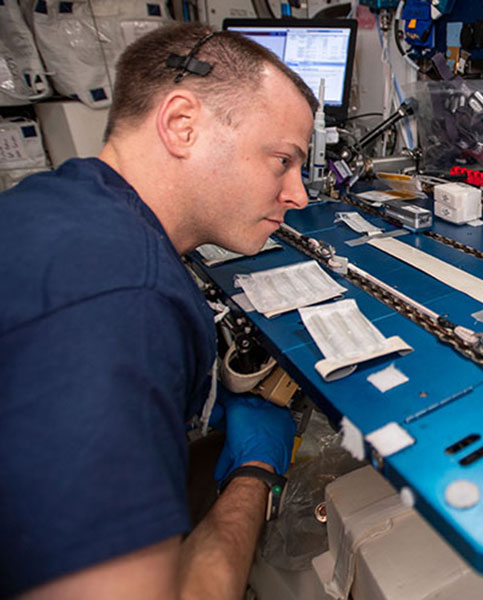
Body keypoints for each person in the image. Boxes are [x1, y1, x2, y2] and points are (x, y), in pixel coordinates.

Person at [0, 23, 318, 599]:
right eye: (281, 160)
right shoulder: (121, 301)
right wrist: (254, 476)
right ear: (181, 125)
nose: (298, 194)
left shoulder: (60, 202)